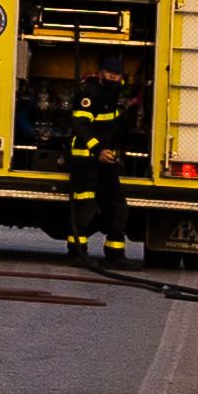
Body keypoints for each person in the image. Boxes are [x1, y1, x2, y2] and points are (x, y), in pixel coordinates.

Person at [65, 65, 131, 262]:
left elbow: (113, 129)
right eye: (110, 72)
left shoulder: (115, 95)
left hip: (106, 159)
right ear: (101, 73)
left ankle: (115, 253)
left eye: (117, 72)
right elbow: (80, 125)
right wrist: (97, 150)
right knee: (86, 205)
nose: (113, 75)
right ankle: (77, 252)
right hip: (85, 158)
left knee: (118, 205)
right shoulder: (89, 93)